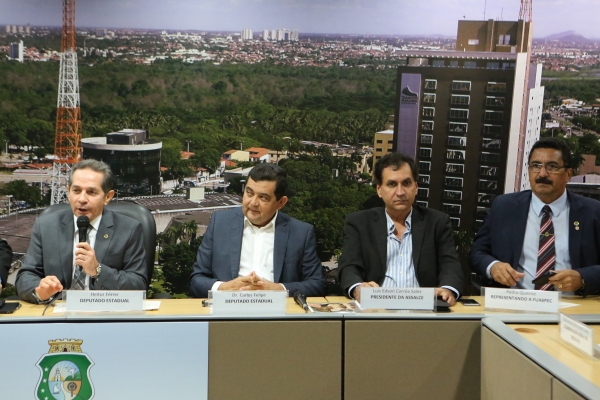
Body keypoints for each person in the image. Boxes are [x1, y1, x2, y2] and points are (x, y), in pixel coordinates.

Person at [470, 137, 600, 295]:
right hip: (515, 301)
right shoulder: (504, 206)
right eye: (536, 166)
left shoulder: (592, 211)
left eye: (552, 167)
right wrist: (493, 266)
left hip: (571, 305)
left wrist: (583, 278)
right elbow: (477, 252)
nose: (542, 174)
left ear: (568, 174)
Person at [338, 152, 464, 305]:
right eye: (392, 184)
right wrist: (358, 288)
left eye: (406, 183)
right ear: (379, 190)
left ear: (416, 187)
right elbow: (348, 266)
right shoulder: (359, 222)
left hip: (424, 308)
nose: (400, 192)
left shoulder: (437, 222)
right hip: (376, 308)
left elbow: (450, 264)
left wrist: (447, 290)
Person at [16, 159, 147, 303]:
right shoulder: (46, 226)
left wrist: (98, 271)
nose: (82, 199)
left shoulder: (128, 229)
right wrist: (40, 291)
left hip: (105, 312)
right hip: (57, 312)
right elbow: (25, 276)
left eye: (91, 192)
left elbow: (138, 284)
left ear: (108, 197)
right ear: (68, 191)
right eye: (76, 191)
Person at [189, 163, 326, 298]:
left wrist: (278, 289)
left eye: (263, 197)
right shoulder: (220, 223)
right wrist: (224, 288)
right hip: (228, 313)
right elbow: (196, 281)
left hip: (277, 315)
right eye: (249, 193)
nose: (253, 203)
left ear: (281, 203)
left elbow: (317, 284)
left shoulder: (301, 233)